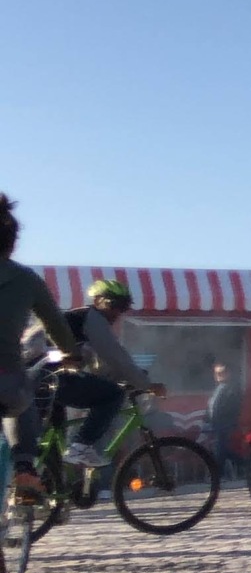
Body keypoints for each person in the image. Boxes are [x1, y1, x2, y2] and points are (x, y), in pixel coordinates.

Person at [28, 277, 165, 469]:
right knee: (113, 395)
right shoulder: (92, 318)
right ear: (98, 301)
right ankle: (81, 447)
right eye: (114, 305)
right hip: (51, 376)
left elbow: (101, 366)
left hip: (34, 378)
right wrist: (147, 384)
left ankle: (54, 489)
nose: (118, 312)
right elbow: (116, 356)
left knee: (55, 440)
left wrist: (128, 378)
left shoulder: (76, 319)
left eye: (124, 307)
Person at [0, 195, 82, 494]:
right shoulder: (26, 279)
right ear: (12, 242)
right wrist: (72, 353)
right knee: (21, 402)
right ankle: (24, 470)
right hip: (6, 376)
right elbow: (56, 324)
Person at [205, 359, 244, 478]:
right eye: (216, 373)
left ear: (228, 373)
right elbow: (212, 406)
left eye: (221, 373)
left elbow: (233, 406)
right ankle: (244, 463)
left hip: (226, 423)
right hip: (215, 423)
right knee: (221, 448)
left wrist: (224, 418)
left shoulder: (233, 388)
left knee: (220, 447)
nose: (218, 376)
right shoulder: (218, 388)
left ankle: (218, 474)